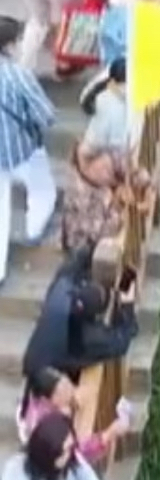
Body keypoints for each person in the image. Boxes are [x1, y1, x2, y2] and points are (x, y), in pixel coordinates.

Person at [22, 245, 138, 382]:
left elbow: (75, 260)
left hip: (36, 358)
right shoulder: (84, 337)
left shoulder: (61, 287)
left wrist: (96, 250)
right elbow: (121, 341)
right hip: (46, 383)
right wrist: (127, 305)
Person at [0, 17, 57, 283]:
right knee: (42, 190)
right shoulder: (18, 75)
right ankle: (33, 230)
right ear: (10, 46)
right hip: (23, 149)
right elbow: (45, 114)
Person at [18, 367, 129, 472]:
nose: (71, 390)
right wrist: (108, 434)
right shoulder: (49, 425)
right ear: (46, 399)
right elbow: (75, 454)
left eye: (67, 384)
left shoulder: (38, 402)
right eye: (63, 391)